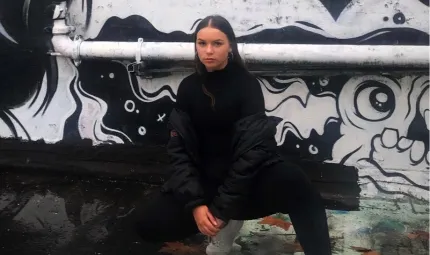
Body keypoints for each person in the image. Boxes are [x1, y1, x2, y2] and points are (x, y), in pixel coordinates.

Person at [136, 15, 332, 255]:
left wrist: (220, 211)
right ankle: (225, 225)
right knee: (147, 225)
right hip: (206, 178)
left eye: (217, 43)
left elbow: (251, 155)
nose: (208, 51)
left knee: (299, 185)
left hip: (246, 179)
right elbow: (179, 150)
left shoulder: (246, 86)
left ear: (230, 46)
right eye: (202, 43)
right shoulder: (188, 88)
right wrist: (197, 205)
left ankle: (232, 223)